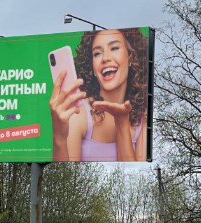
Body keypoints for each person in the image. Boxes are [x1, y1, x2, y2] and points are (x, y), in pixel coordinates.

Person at [48, 28, 149, 162]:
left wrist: (121, 122)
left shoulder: (143, 117)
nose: (105, 58)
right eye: (97, 53)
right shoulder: (78, 113)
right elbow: (65, 174)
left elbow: (133, 176)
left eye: (114, 48)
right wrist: (58, 138)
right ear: (93, 66)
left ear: (131, 56)